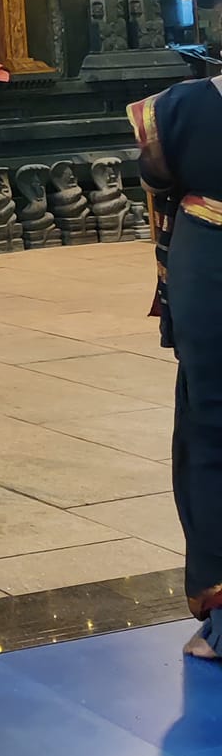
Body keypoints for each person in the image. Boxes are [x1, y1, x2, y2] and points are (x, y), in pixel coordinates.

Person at [129, 75, 222, 660]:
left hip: (210, 256)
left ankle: (221, 619)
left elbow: (156, 175)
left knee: (212, 425)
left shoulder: (186, 105)